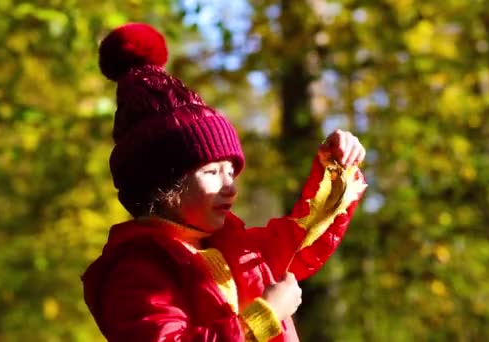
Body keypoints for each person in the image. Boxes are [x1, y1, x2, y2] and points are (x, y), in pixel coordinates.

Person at [81, 22, 367, 342]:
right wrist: (264, 317)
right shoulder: (136, 270)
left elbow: (303, 236)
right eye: (212, 172)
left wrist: (337, 170)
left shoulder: (235, 247)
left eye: (231, 171)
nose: (229, 185)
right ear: (164, 184)